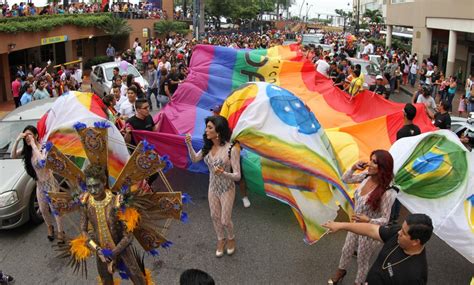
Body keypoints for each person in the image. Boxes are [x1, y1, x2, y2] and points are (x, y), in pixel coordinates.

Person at [328, 150, 397, 285]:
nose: (369, 164)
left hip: (369, 231)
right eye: (370, 160)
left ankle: (358, 282)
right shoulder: (366, 176)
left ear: (382, 168)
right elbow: (345, 179)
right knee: (346, 250)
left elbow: (385, 219)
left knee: (362, 260)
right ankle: (341, 271)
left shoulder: (388, 193)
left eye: (374, 162)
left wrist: (369, 220)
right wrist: (354, 167)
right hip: (354, 224)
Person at [185, 116, 241, 257]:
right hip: (213, 187)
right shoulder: (207, 146)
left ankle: (231, 238)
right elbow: (194, 159)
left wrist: (224, 173)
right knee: (214, 216)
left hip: (227, 188)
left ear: (219, 131)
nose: (206, 130)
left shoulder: (232, 149)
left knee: (225, 220)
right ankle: (220, 240)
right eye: (206, 127)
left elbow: (238, 175)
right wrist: (189, 145)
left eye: (210, 127)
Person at [324, 213, 433, 284]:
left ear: (416, 241)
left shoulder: (415, 277)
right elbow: (371, 230)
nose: (399, 232)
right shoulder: (398, 234)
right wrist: (341, 225)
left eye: (404, 233)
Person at [10, 126, 64, 243]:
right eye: (25, 136)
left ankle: (60, 232)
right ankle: (50, 227)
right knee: (43, 209)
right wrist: (17, 140)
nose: (27, 138)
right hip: (39, 185)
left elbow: (42, 162)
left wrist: (34, 145)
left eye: (29, 135)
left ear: (36, 135)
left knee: (55, 209)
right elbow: (12, 156)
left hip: (50, 183)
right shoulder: (27, 150)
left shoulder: (43, 148)